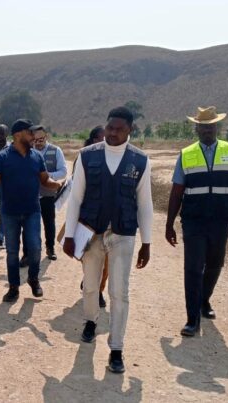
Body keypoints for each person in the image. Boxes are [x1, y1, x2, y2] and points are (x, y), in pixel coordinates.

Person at [63, 107, 153, 374]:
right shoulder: (87, 156)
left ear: (130, 130)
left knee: (119, 292)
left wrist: (147, 242)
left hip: (123, 233)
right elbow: (76, 198)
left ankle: (116, 349)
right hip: (92, 232)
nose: (112, 133)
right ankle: (91, 321)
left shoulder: (140, 161)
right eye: (109, 127)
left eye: (119, 129)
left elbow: (145, 203)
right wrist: (69, 236)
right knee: (90, 287)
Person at [165, 106, 228, 337]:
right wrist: (169, 223)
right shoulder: (186, 154)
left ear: (216, 127)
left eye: (210, 126)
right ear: (196, 128)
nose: (207, 130)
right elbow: (176, 191)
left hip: (222, 220)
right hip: (193, 220)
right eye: (203, 126)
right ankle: (192, 319)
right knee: (193, 268)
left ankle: (204, 300)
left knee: (215, 263)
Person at [0, 119, 63, 303]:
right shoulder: (2, 158)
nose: (33, 137)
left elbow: (45, 180)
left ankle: (33, 279)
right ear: (18, 134)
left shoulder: (37, 157)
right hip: (9, 212)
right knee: (12, 251)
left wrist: (58, 184)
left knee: (35, 248)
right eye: (30, 133)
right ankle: (13, 287)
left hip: (32, 211)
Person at [79, 126, 108, 308]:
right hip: (88, 220)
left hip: (111, 221)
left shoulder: (118, 159)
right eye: (102, 138)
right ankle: (90, 281)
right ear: (94, 140)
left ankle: (99, 290)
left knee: (108, 262)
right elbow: (76, 191)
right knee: (89, 258)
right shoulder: (84, 159)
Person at [30, 126, 67, 261]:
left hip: (48, 195)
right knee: (30, 225)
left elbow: (63, 172)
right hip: (31, 195)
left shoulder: (56, 151)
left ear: (46, 137)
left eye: (41, 139)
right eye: (35, 140)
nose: (38, 142)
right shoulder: (28, 151)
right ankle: (30, 252)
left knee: (49, 223)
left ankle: (50, 248)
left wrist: (46, 176)